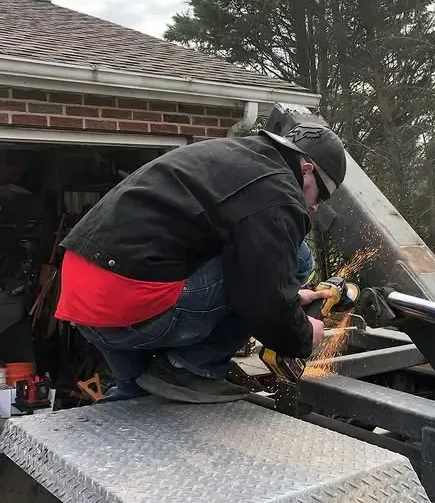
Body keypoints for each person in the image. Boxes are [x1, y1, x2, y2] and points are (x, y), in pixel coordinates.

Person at [55, 123, 347, 403]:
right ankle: (191, 368)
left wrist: (288, 295)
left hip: (81, 300)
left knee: (142, 402)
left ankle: (131, 394)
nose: (315, 206)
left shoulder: (236, 156)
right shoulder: (278, 192)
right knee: (298, 256)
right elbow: (261, 294)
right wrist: (303, 335)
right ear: (306, 170)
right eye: (321, 195)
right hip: (130, 300)